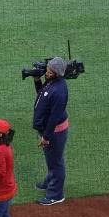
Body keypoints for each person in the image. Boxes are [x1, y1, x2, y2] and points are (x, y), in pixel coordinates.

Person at [32, 57, 71, 205]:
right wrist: (37, 80)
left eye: (49, 71)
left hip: (54, 132)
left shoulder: (59, 91)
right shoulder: (52, 83)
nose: (46, 72)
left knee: (56, 162)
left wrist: (46, 137)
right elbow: (42, 95)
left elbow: (54, 118)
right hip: (48, 130)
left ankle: (56, 194)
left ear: (57, 73)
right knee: (52, 160)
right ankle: (50, 181)